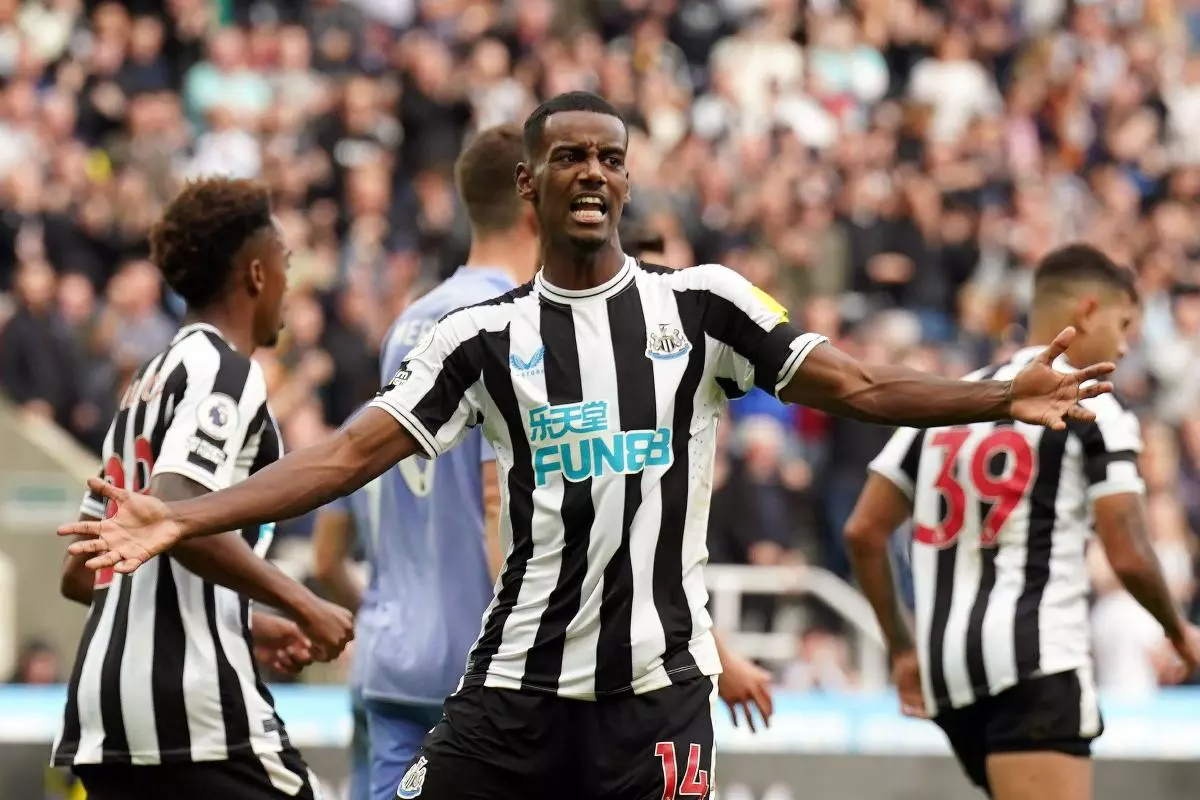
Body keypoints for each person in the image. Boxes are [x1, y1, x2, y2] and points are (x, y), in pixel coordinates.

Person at [64, 93, 1117, 800]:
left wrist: (993, 392)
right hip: (514, 687)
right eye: (569, 156)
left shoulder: (704, 306)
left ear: (627, 182)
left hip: (658, 691)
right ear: (529, 186)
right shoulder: (477, 337)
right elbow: (347, 454)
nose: (593, 173)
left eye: (611, 158)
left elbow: (863, 382)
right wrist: (183, 511)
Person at [312, 124, 772, 800]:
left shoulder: (414, 322)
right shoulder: (510, 324)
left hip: (387, 652)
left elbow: (354, 458)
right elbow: (511, 506)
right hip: (499, 665)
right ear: (536, 204)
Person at [842, 244, 1200, 800]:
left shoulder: (950, 398)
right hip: (1035, 666)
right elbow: (1126, 550)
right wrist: (1180, 632)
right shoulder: (1094, 405)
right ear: (1086, 310)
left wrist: (903, 648)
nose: (1127, 344)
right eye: (1124, 324)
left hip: (949, 675)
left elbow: (863, 530)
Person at [53, 177, 355, 800]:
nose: (289, 287)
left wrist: (242, 621)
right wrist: (305, 604)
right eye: (286, 265)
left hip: (104, 713)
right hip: (193, 711)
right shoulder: (225, 369)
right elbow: (176, 513)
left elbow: (82, 573)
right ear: (256, 274)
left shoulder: (147, 381)